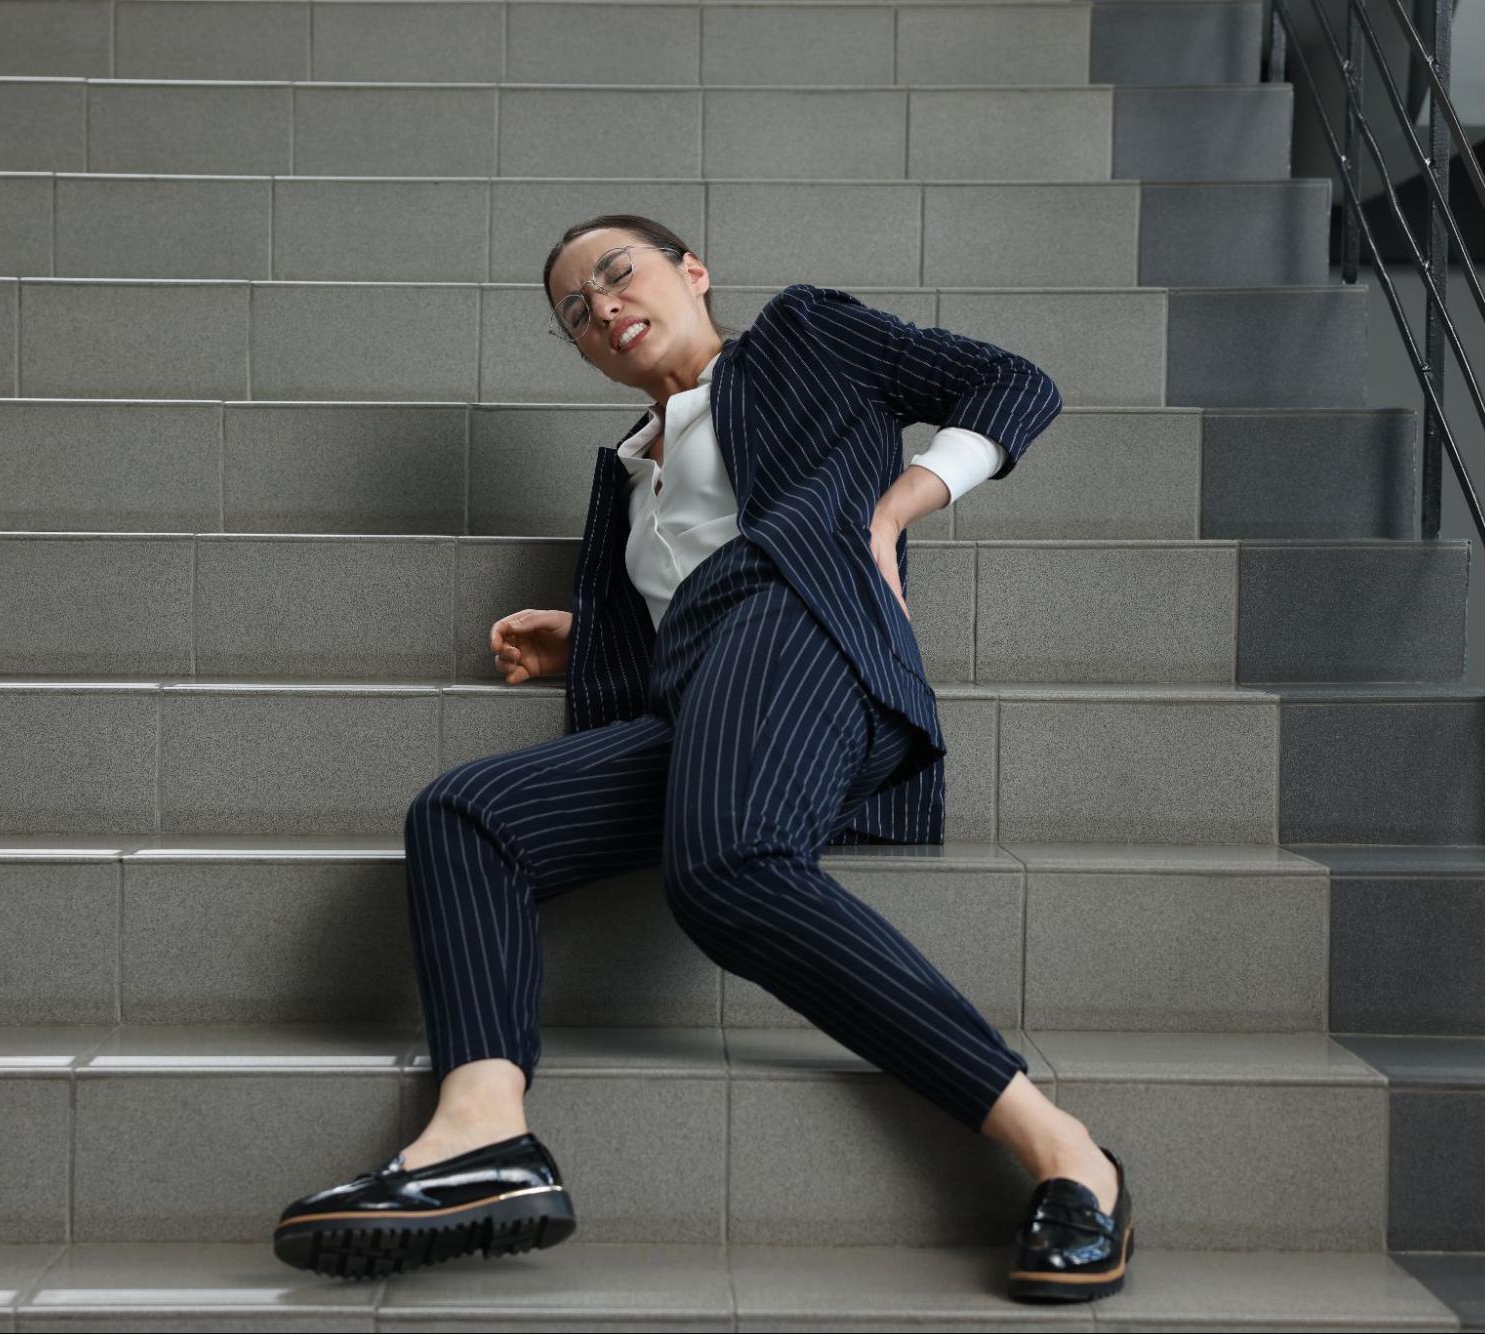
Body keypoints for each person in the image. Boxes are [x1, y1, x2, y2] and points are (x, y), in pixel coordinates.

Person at [275, 217, 1134, 1302]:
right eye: (575, 312)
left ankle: (1066, 1153)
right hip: (712, 698)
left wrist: (892, 508)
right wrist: (590, 633)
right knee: (465, 813)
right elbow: (681, 638)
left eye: (615, 272)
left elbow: (1013, 383)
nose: (599, 307)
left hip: (806, 636)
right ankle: (481, 1135)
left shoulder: (801, 337)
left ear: (691, 272)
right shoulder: (626, 480)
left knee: (726, 869)